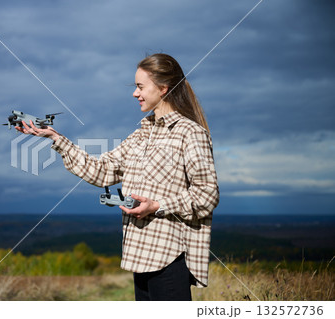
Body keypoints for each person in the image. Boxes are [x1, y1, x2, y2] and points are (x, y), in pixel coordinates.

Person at [16, 53, 219, 301]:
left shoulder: (190, 133)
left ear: (163, 88)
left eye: (140, 86)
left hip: (170, 257)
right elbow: (101, 171)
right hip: (139, 257)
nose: (135, 93)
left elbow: (207, 194)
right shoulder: (139, 136)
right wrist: (55, 139)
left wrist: (156, 206)